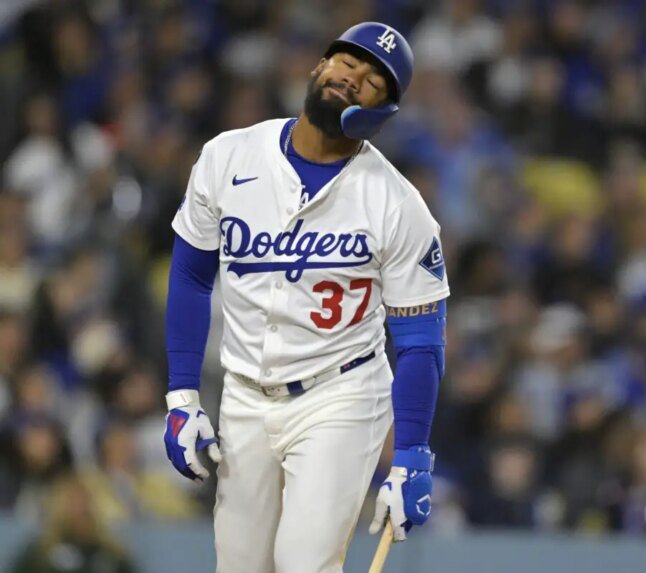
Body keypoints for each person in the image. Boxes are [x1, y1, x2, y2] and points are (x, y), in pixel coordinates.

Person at [162, 22, 449, 572]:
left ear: (383, 111)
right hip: (245, 393)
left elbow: (420, 340)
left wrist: (411, 454)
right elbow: (192, 277)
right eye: (347, 63)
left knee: (303, 561)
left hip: (339, 393)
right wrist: (182, 397)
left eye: (372, 81)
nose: (353, 79)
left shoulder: (397, 203)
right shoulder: (228, 157)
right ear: (320, 66)